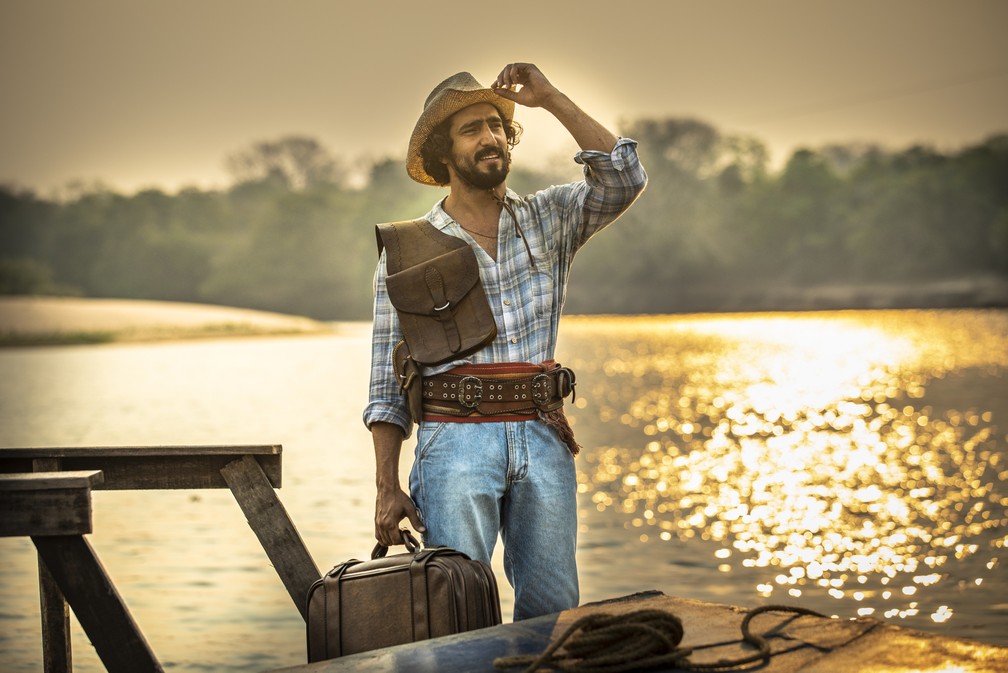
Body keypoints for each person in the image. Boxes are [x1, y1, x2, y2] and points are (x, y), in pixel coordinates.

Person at [363, 62, 646, 621]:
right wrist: (386, 487)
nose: (490, 137)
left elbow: (623, 176)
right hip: (454, 443)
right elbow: (383, 385)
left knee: (553, 609)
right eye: (471, 130)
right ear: (444, 154)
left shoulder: (548, 218)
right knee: (457, 614)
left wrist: (551, 98)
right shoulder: (406, 250)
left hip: (544, 434)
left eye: (497, 125)